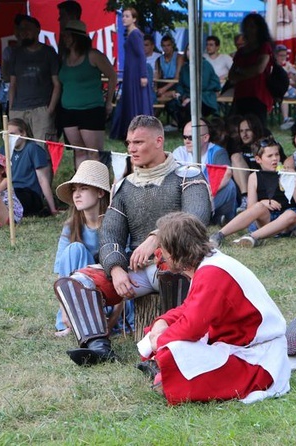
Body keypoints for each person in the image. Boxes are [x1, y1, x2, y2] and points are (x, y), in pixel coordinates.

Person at [54, 115, 211, 366]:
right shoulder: (125, 186)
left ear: (159, 141)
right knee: (76, 282)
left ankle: (171, 350)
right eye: (129, 143)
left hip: (184, 266)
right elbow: (110, 234)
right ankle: (98, 346)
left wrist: (157, 237)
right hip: (140, 271)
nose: (131, 149)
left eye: (138, 142)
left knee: (174, 279)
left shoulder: (188, 175)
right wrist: (115, 269)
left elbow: (196, 218)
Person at [137, 212, 290, 405]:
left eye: (164, 249)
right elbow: (189, 309)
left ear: (176, 250)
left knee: (171, 349)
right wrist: (163, 322)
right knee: (161, 335)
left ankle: (163, 373)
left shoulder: (212, 272)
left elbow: (192, 328)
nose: (162, 253)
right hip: (237, 346)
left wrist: (160, 340)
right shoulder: (208, 264)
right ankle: (161, 367)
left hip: (256, 359)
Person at [211, 138, 296, 248]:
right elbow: (251, 210)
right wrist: (264, 202)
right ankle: (218, 235)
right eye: (270, 156)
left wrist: (290, 180)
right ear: (258, 159)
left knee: (291, 214)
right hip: (267, 219)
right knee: (258, 206)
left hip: (289, 219)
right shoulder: (254, 177)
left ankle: (252, 237)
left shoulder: (289, 172)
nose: (275, 159)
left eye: (277, 154)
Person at [53, 160, 111, 336]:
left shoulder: (114, 223)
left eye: (83, 188)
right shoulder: (71, 226)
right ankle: (73, 317)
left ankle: (97, 319)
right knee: (74, 249)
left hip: (109, 294)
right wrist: (64, 309)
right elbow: (61, 274)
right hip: (77, 293)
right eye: (74, 189)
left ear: (100, 192)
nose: (76, 195)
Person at [58, 20, 117, 167]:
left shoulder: (93, 55)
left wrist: (108, 101)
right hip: (68, 111)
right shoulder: (63, 58)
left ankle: (97, 186)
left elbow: (112, 76)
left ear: (76, 37)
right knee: (79, 152)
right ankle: (81, 186)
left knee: (94, 153)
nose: (64, 38)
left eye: (67, 35)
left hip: (91, 109)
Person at [173, 119, 238, 225]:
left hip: (210, 196)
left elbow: (227, 173)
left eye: (191, 137)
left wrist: (208, 194)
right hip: (187, 197)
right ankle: (202, 217)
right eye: (184, 137)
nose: (186, 141)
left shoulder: (217, 152)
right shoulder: (179, 152)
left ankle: (223, 218)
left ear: (206, 138)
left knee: (229, 186)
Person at [8, 14, 61, 144]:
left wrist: (50, 110)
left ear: (38, 30)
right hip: (18, 109)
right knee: (18, 150)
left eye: (28, 28)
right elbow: (12, 84)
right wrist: (11, 109)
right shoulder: (16, 53)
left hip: (41, 110)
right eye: (21, 29)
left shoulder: (49, 52)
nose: (24, 32)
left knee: (42, 152)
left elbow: (57, 84)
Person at [109, 8, 154, 140]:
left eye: (127, 16)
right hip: (130, 72)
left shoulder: (135, 34)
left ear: (134, 19)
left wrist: (143, 75)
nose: (124, 18)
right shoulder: (131, 33)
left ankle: (139, 131)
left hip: (135, 73)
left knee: (136, 100)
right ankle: (129, 130)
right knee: (129, 99)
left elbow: (141, 55)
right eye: (123, 16)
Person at [1, 118, 57, 216]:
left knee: (12, 200)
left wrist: (52, 208)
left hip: (29, 194)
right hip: (9, 191)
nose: (9, 138)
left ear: (23, 134)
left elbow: (43, 180)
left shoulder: (33, 148)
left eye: (12, 134)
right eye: (6, 135)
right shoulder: (3, 150)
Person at [228, 13, 274, 125]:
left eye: (252, 26)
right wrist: (247, 72)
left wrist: (241, 71)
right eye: (247, 26)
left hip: (258, 96)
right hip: (240, 95)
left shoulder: (264, 47)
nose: (249, 30)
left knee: (257, 128)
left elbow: (259, 69)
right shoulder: (241, 51)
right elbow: (231, 76)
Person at [173, 45, 222, 127]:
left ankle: (190, 127)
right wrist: (179, 93)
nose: (189, 52)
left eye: (192, 50)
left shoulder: (205, 65)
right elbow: (180, 84)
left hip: (204, 97)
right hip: (187, 96)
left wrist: (190, 98)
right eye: (188, 50)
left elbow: (202, 85)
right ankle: (181, 125)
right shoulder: (185, 67)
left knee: (190, 106)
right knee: (171, 104)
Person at [275, 44, 296, 130]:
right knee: (285, 94)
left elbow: (294, 81)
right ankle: (286, 119)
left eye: (285, 55)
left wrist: (293, 74)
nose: (283, 58)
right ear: (276, 55)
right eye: (281, 55)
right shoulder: (274, 66)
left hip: (288, 87)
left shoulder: (288, 65)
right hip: (278, 89)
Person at [154, 35, 185, 107]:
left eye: (168, 45)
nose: (166, 48)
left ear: (172, 45)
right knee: (157, 96)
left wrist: (163, 89)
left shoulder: (179, 57)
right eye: (164, 46)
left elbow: (177, 77)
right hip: (163, 83)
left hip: (176, 84)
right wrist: (156, 90)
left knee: (163, 97)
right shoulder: (158, 60)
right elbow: (156, 77)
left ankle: (154, 116)